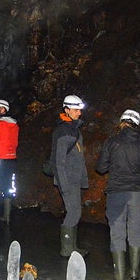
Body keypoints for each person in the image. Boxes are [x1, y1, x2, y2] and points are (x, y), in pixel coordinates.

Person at [96, 109, 140, 280]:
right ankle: (134, 273)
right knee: (135, 231)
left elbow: (100, 167)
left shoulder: (112, 142)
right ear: (137, 123)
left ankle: (120, 279)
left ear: (122, 121)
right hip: (137, 193)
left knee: (117, 234)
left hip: (116, 192)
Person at [50, 95, 89, 257]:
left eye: (79, 110)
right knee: (73, 212)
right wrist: (63, 185)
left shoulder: (73, 129)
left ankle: (72, 247)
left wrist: (83, 178)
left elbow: (78, 156)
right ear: (66, 110)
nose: (79, 113)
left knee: (76, 212)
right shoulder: (63, 131)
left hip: (74, 178)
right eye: (75, 110)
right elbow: (58, 161)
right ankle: (66, 249)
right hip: (67, 179)